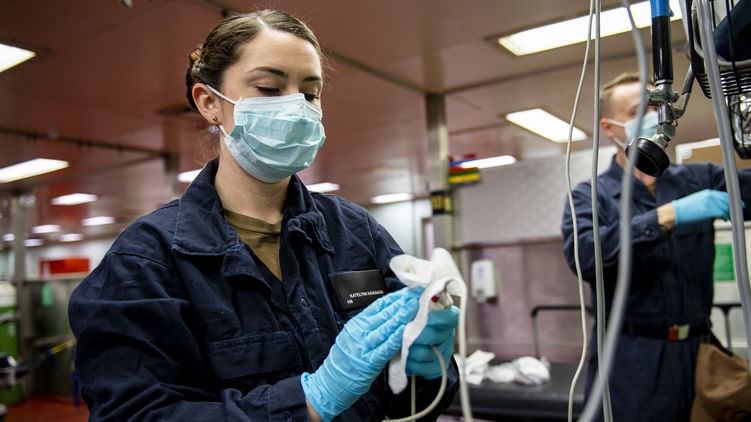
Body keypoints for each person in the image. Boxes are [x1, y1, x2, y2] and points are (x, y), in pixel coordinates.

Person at [68, 10, 459, 422]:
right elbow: (134, 413)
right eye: (269, 88)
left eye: (310, 94)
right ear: (209, 102)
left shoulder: (356, 232)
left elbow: (413, 402)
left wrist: (427, 371)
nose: (296, 108)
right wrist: (312, 400)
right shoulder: (146, 260)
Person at [561, 72, 751, 421]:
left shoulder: (699, 178)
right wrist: (665, 216)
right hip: (632, 360)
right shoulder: (590, 196)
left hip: (699, 353)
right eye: (638, 110)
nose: (652, 116)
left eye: (655, 106)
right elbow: (585, 257)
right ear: (609, 127)